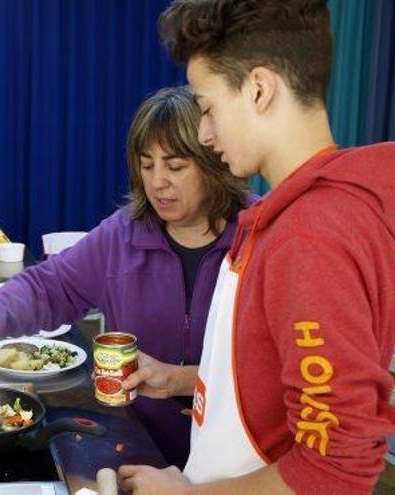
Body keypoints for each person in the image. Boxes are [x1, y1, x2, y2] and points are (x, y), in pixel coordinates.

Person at [118, 1, 395, 493]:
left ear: (260, 89)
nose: (204, 134)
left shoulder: (311, 237)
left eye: (208, 108)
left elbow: (333, 469)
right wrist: (182, 381)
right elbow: (271, 377)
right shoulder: (284, 217)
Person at [0, 85, 251, 468]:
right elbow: (48, 285)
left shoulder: (260, 235)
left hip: (236, 463)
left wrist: (184, 380)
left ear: (214, 159)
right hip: (141, 449)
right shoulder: (123, 235)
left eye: (175, 166)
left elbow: (274, 373)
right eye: (146, 164)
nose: (157, 182)